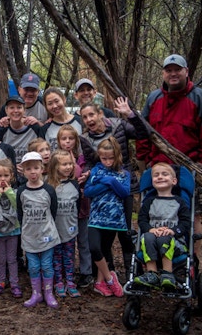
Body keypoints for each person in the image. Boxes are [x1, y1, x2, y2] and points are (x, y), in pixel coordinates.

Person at [136, 53, 202, 256]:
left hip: (190, 169)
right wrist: (146, 159)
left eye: (177, 69)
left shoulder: (200, 97)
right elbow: (142, 131)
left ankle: (192, 264)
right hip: (157, 170)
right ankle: (153, 263)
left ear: (186, 72)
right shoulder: (154, 98)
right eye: (169, 70)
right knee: (153, 214)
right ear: (163, 73)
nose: (173, 74)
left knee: (193, 217)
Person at [80, 98, 150, 279]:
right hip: (102, 191)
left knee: (126, 233)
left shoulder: (119, 125)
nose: (88, 119)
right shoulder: (85, 138)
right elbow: (89, 161)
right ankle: (108, 274)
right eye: (84, 117)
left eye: (91, 115)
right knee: (104, 237)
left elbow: (144, 133)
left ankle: (133, 273)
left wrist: (131, 115)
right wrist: (87, 173)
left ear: (100, 114)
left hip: (123, 184)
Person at [84, 137, 129, 298]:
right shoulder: (96, 170)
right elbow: (88, 191)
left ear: (117, 156)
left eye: (111, 158)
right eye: (104, 158)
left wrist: (108, 181)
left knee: (104, 250)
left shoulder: (124, 174)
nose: (108, 161)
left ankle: (99, 282)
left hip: (114, 220)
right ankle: (110, 279)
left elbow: (124, 193)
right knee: (94, 248)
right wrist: (109, 182)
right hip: (96, 218)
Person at [134, 163, 191, 289]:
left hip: (175, 243)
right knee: (147, 236)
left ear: (174, 180)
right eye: (156, 175)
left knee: (165, 238)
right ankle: (152, 273)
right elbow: (142, 220)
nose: (160, 177)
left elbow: (185, 222)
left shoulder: (179, 202)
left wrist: (173, 231)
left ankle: (167, 273)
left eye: (165, 174)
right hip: (151, 241)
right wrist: (151, 229)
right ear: (152, 181)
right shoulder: (149, 202)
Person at [17, 152, 60, 308]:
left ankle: (48, 292)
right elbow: (20, 213)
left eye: (36, 168)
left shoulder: (49, 190)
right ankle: (37, 293)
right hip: (29, 235)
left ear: (42, 168)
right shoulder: (21, 191)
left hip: (47, 234)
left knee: (47, 265)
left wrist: (46, 226)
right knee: (33, 266)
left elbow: (53, 211)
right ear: (23, 171)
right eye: (29, 169)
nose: (33, 171)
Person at [56, 125, 93, 289]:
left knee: (84, 241)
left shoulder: (83, 159)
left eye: (71, 138)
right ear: (58, 141)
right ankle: (63, 272)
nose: (67, 142)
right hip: (63, 210)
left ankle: (86, 272)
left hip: (82, 206)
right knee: (64, 242)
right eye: (64, 139)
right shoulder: (55, 159)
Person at [0, 159, 22, 298]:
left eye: (6, 176)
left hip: (13, 229)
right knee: (0, 259)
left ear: (11, 176)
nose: (2, 179)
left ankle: (14, 283)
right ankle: (1, 282)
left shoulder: (15, 189)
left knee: (12, 258)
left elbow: (18, 205)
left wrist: (9, 192)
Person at [0, 95, 40, 182]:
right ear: (6, 110)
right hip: (8, 175)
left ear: (24, 110)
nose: (15, 111)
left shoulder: (34, 127)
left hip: (31, 173)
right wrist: (13, 166)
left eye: (19, 107)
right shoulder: (1, 130)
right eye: (12, 108)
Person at [41, 87, 83, 151]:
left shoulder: (80, 122)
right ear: (46, 106)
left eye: (56, 101)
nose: (54, 106)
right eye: (50, 103)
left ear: (64, 99)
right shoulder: (45, 129)